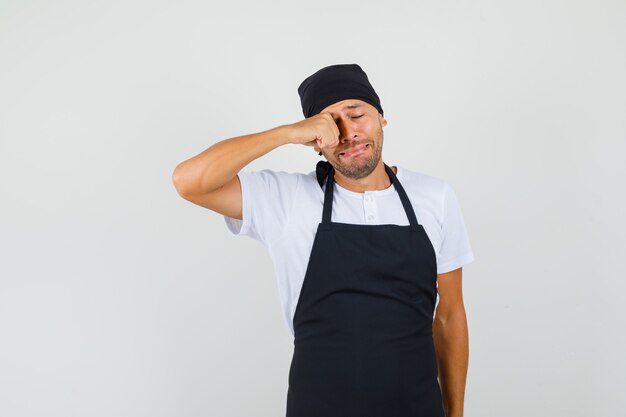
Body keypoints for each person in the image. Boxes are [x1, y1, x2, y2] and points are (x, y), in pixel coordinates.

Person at [172, 63, 475, 417]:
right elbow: (187, 181)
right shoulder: (285, 199)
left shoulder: (434, 197)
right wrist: (286, 133)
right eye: (330, 124)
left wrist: (455, 413)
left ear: (382, 118)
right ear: (314, 140)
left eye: (357, 115)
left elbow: (450, 316)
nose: (348, 133)